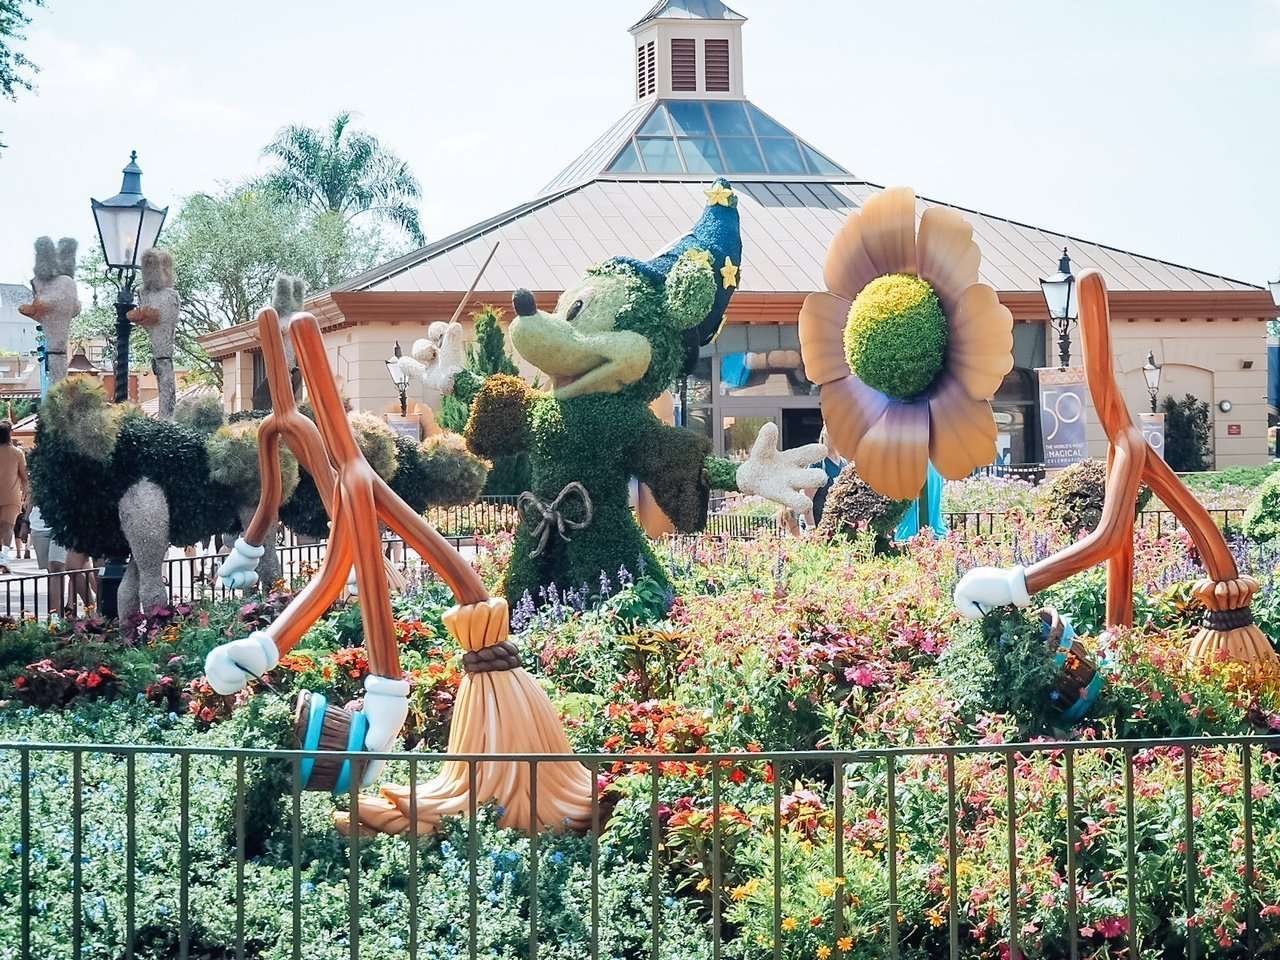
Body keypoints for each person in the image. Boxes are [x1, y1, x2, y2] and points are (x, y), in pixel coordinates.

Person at [0, 421, 29, 562]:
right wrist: (25, 494)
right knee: (7, 529)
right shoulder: (17, 453)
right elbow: (24, 476)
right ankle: (3, 561)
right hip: (11, 497)